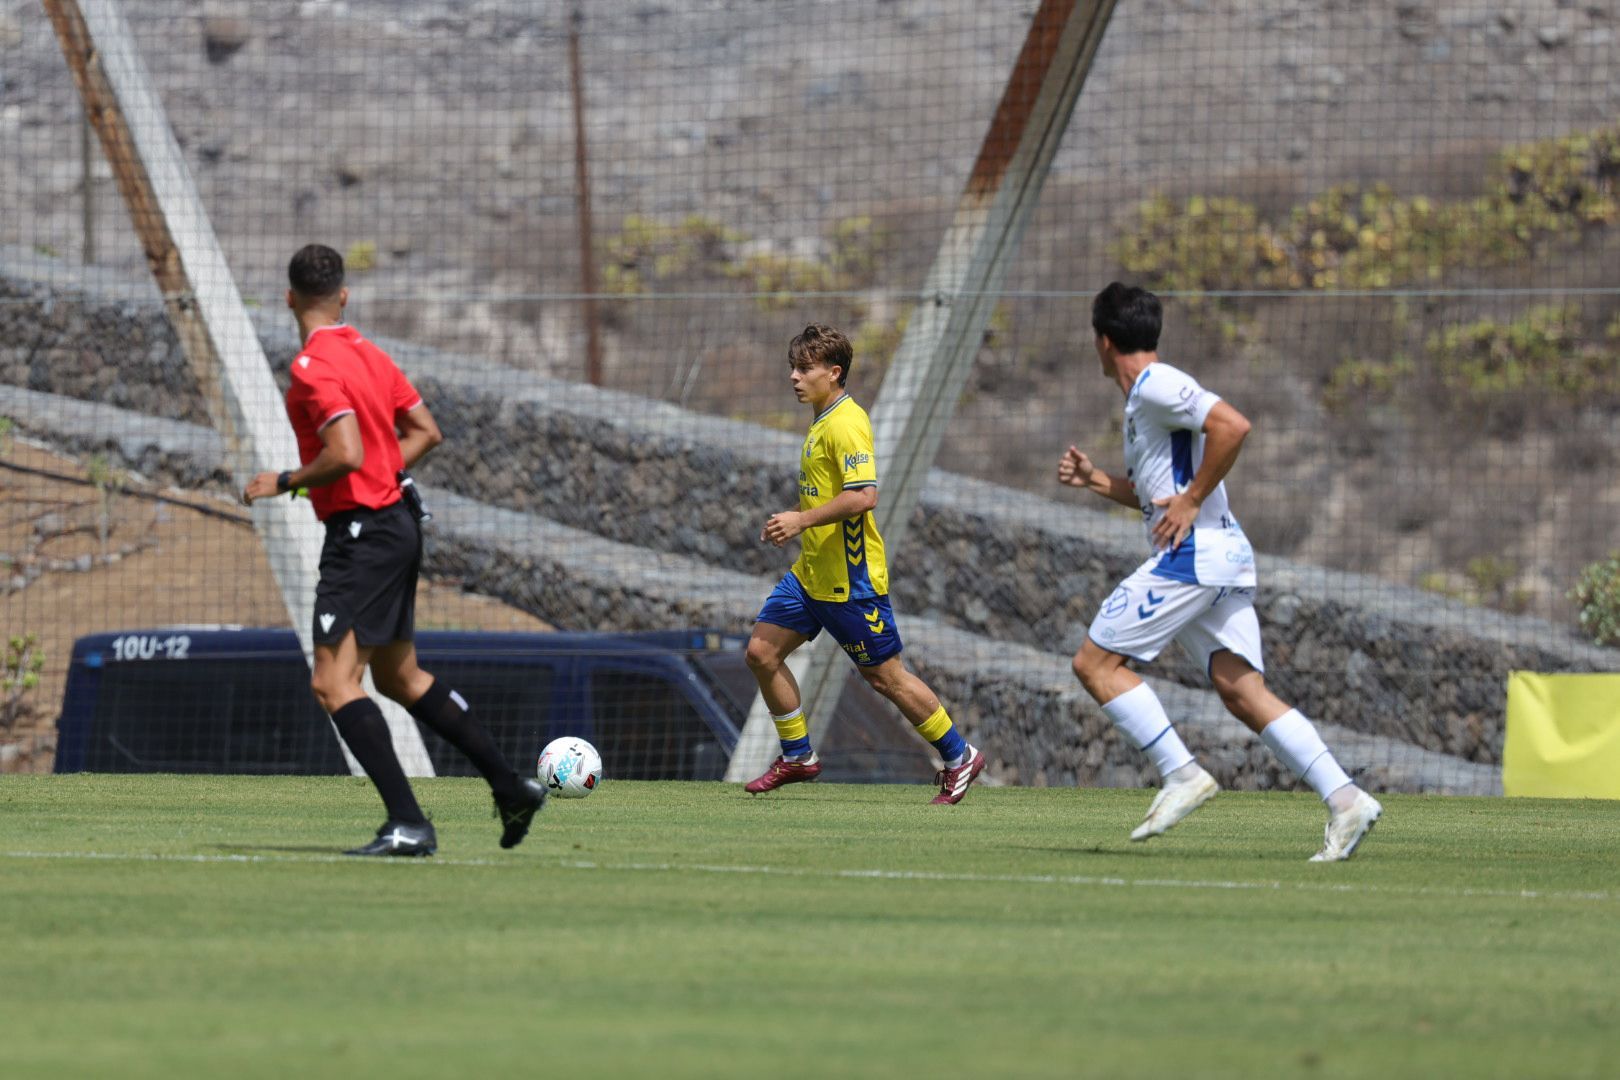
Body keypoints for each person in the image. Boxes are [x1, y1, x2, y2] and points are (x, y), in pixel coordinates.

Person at [1056, 283, 1382, 861]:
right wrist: (1098, 481)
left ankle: (1181, 773)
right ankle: (1347, 798)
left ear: (1103, 343)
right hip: (1217, 556)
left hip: (1195, 557)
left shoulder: (1159, 384)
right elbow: (1162, 495)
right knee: (1242, 692)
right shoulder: (1144, 400)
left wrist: (1191, 499)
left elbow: (1233, 425)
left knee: (1094, 663)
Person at [242, 244, 547, 857]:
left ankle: (409, 822)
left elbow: (347, 453)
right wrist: (379, 476)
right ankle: (510, 786)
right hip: (397, 523)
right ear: (344, 296)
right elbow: (425, 432)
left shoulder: (311, 367)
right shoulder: (369, 353)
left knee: (332, 681)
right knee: (398, 675)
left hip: (363, 534)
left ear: (289, 299)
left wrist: (286, 480)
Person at [743, 324, 986, 803]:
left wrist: (800, 520)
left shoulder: (846, 422)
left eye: (804, 368)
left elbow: (864, 496)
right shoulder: (820, 418)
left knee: (885, 677)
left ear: (834, 373)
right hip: (810, 577)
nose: (794, 377)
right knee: (761, 653)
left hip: (849, 582)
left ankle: (960, 755)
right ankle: (798, 756)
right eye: (792, 367)